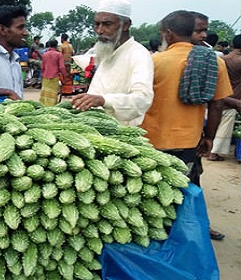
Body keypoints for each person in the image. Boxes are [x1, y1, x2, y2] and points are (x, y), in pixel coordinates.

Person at [139, 10, 232, 241]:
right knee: (186, 190)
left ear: (168, 34)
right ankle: (188, 234)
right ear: (191, 32)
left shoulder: (153, 62)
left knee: (151, 192)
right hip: (189, 141)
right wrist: (209, 137)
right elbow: (218, 104)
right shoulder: (214, 62)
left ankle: (154, 237)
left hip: (153, 141)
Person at [70, 0, 154, 126]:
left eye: (107, 24)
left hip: (120, 133)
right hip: (94, 128)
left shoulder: (138, 54)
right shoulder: (106, 51)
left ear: (125, 25)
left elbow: (142, 99)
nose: (99, 30)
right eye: (97, 24)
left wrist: (104, 100)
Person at [207, 36, 241, 161]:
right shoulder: (239, 61)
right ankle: (213, 153)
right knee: (224, 127)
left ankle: (209, 150)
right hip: (233, 98)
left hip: (219, 96)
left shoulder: (222, 59)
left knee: (213, 124)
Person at [38, 39, 68, 106]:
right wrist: (65, 76)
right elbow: (61, 67)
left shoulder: (45, 54)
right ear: (56, 45)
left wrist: (42, 75)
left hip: (45, 77)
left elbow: (42, 67)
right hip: (54, 77)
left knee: (45, 94)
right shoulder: (58, 54)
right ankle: (51, 107)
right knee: (53, 94)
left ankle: (43, 106)